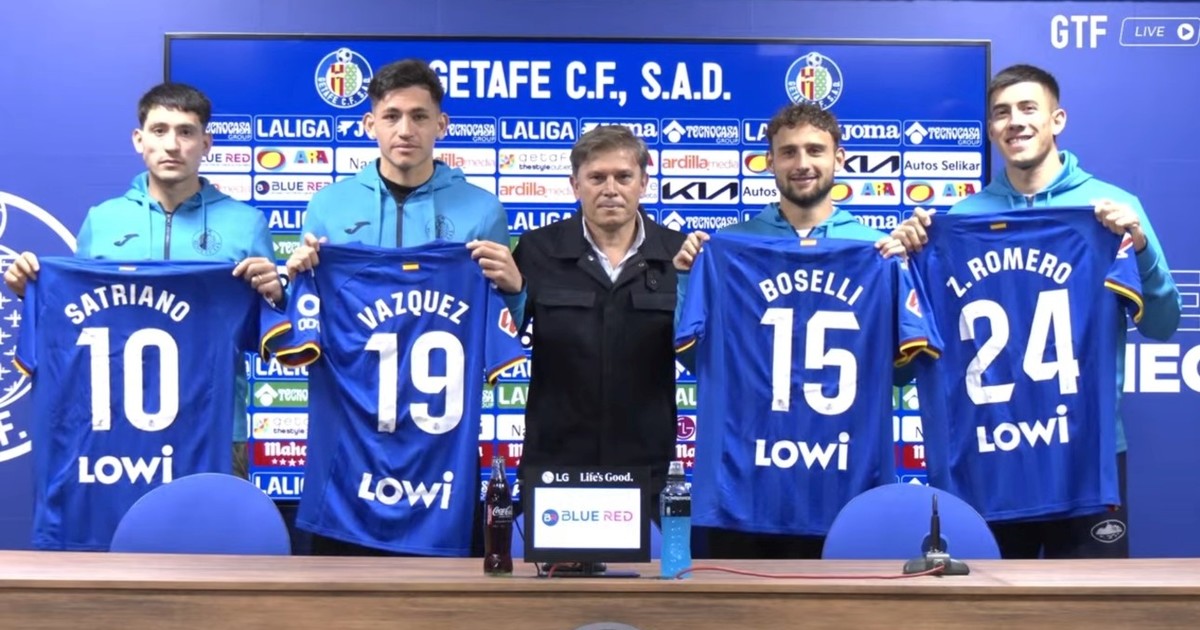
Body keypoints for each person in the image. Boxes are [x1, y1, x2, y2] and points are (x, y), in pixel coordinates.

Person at [890, 63, 1181, 559]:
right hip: (988, 454)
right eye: (1002, 113)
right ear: (990, 129)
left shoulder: (1112, 207)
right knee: (991, 600)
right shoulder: (957, 223)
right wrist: (906, 264)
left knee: (1094, 598)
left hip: (1087, 454)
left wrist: (1140, 246)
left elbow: (1162, 323)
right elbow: (903, 369)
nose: (1015, 122)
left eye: (1028, 108)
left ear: (1057, 119)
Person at [284, 58, 524, 556]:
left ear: (442, 124)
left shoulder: (483, 210)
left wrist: (515, 288)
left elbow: (504, 324)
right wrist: (297, 280)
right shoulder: (328, 206)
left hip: (441, 445)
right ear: (369, 123)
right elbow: (301, 326)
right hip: (349, 435)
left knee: (442, 594)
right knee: (340, 590)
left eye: (419, 116)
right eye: (391, 116)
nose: (405, 130)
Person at [3, 82, 282, 479]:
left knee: (213, 522)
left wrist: (276, 295)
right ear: (139, 140)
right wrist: (31, 292)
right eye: (159, 130)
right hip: (114, 424)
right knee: (119, 523)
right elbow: (77, 320)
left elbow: (269, 333)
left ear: (206, 143)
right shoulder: (103, 220)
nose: (172, 145)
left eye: (186, 132)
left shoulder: (246, 224)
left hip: (216, 424)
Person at [671, 102, 911, 560]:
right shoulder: (729, 248)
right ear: (770, 161)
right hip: (745, 490)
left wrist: (899, 277)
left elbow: (902, 374)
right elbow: (695, 360)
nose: (802, 163)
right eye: (788, 152)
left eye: (815, 150)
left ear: (839, 158)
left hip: (846, 490)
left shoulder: (877, 251)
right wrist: (687, 278)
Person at [512, 125, 686, 534]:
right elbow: (504, 337)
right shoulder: (536, 250)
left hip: (649, 471)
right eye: (596, 177)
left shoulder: (678, 255)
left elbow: (701, 355)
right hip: (554, 466)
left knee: (651, 576)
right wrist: (509, 292)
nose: (611, 189)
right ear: (575, 185)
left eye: (623, 177)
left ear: (643, 182)